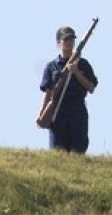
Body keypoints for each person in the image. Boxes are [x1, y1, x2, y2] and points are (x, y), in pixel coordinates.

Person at [37, 26, 98, 154]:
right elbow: (48, 93)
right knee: (58, 150)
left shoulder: (83, 64)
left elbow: (91, 87)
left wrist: (76, 72)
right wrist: (41, 114)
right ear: (58, 42)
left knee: (78, 149)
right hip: (58, 111)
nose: (69, 42)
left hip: (77, 109)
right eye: (66, 39)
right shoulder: (51, 66)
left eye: (71, 39)